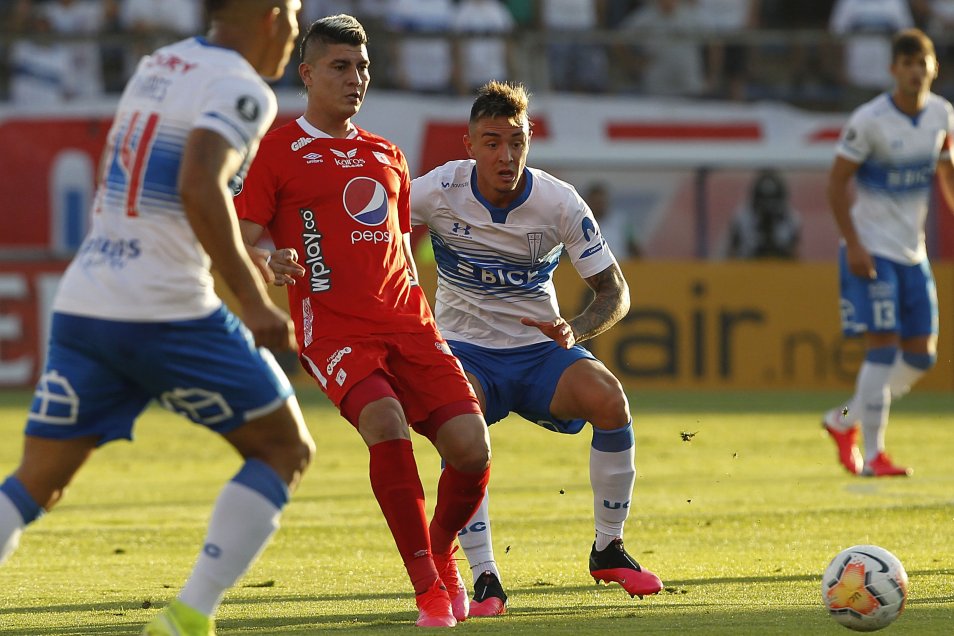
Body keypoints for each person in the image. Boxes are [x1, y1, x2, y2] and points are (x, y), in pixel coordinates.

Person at [0, 2, 313, 636]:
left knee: (34, 485)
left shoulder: (159, 65)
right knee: (284, 448)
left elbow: (172, 193)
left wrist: (245, 253)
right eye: (296, 11)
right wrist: (253, 302)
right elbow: (198, 183)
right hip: (166, 311)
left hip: (89, 302)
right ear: (270, 14)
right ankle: (189, 617)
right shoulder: (243, 89)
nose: (295, 29)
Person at [234, 15, 491, 628]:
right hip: (335, 329)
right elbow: (241, 237)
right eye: (341, 67)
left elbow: (399, 247)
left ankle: (439, 547)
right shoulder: (275, 149)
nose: (356, 79)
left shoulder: (387, 154)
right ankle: (429, 587)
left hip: (410, 326)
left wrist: (427, 312)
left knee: (471, 450)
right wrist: (269, 262)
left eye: (363, 67)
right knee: (386, 422)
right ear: (307, 74)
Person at [409, 80, 663, 617]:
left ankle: (608, 547)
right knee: (464, 440)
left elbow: (614, 291)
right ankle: (484, 578)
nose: (506, 155)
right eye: (493, 141)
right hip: (464, 349)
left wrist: (577, 329)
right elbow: (382, 240)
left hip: (539, 350)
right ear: (470, 144)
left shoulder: (559, 202)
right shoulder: (434, 190)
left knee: (609, 400)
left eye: (517, 141)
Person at [822, 28, 954, 478]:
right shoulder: (870, 119)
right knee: (882, 348)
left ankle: (843, 421)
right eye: (908, 63)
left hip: (912, 252)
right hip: (872, 250)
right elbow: (837, 183)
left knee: (920, 355)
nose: (916, 71)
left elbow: (946, 172)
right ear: (893, 70)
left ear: (933, 68)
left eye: (923, 63)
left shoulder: (942, 115)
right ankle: (875, 456)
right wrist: (854, 244)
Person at [725, 168, 801, 259]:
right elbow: (732, 252)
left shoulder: (791, 218)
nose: (768, 207)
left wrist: (779, 248)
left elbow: (795, 255)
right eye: (764, 201)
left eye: (772, 202)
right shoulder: (742, 218)